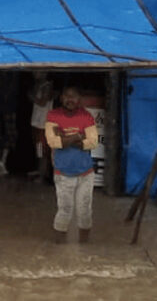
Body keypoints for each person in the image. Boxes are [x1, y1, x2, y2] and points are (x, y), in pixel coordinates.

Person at [45, 86, 98, 244]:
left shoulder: (87, 116)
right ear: (61, 98)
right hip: (63, 173)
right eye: (67, 96)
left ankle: (84, 248)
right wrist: (78, 137)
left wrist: (67, 138)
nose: (70, 100)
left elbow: (93, 142)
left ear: (79, 99)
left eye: (74, 96)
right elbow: (53, 142)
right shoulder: (53, 115)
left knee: (85, 211)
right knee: (64, 210)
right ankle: (59, 247)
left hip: (86, 173)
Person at [28, 72, 55, 182]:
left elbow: (43, 102)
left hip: (43, 123)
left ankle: (43, 174)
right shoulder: (39, 85)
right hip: (37, 121)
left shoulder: (47, 86)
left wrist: (31, 97)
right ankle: (40, 170)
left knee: (43, 149)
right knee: (39, 148)